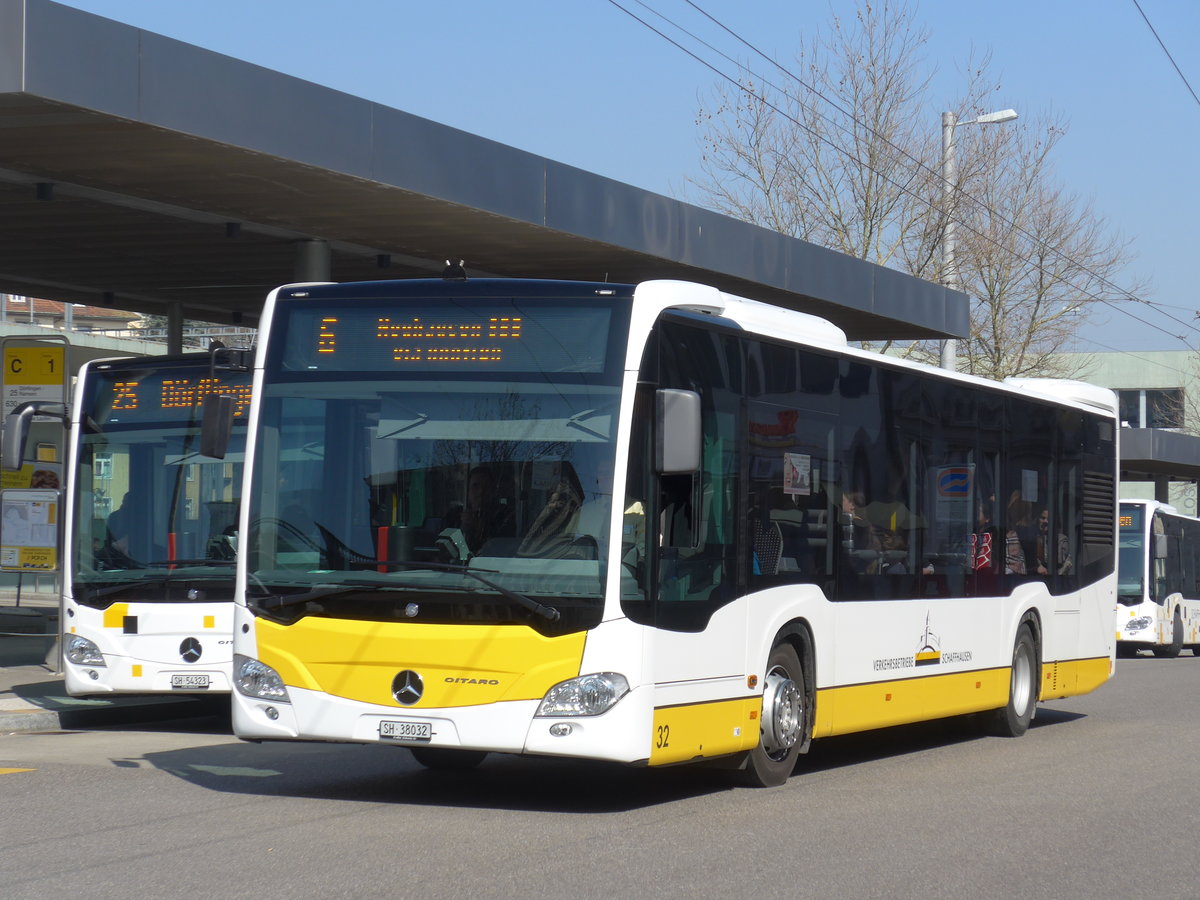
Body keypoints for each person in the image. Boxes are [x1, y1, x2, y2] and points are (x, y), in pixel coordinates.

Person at [518, 469, 584, 557]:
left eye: (558, 502)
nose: (552, 506)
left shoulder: (575, 546)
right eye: (550, 502)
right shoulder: (537, 525)